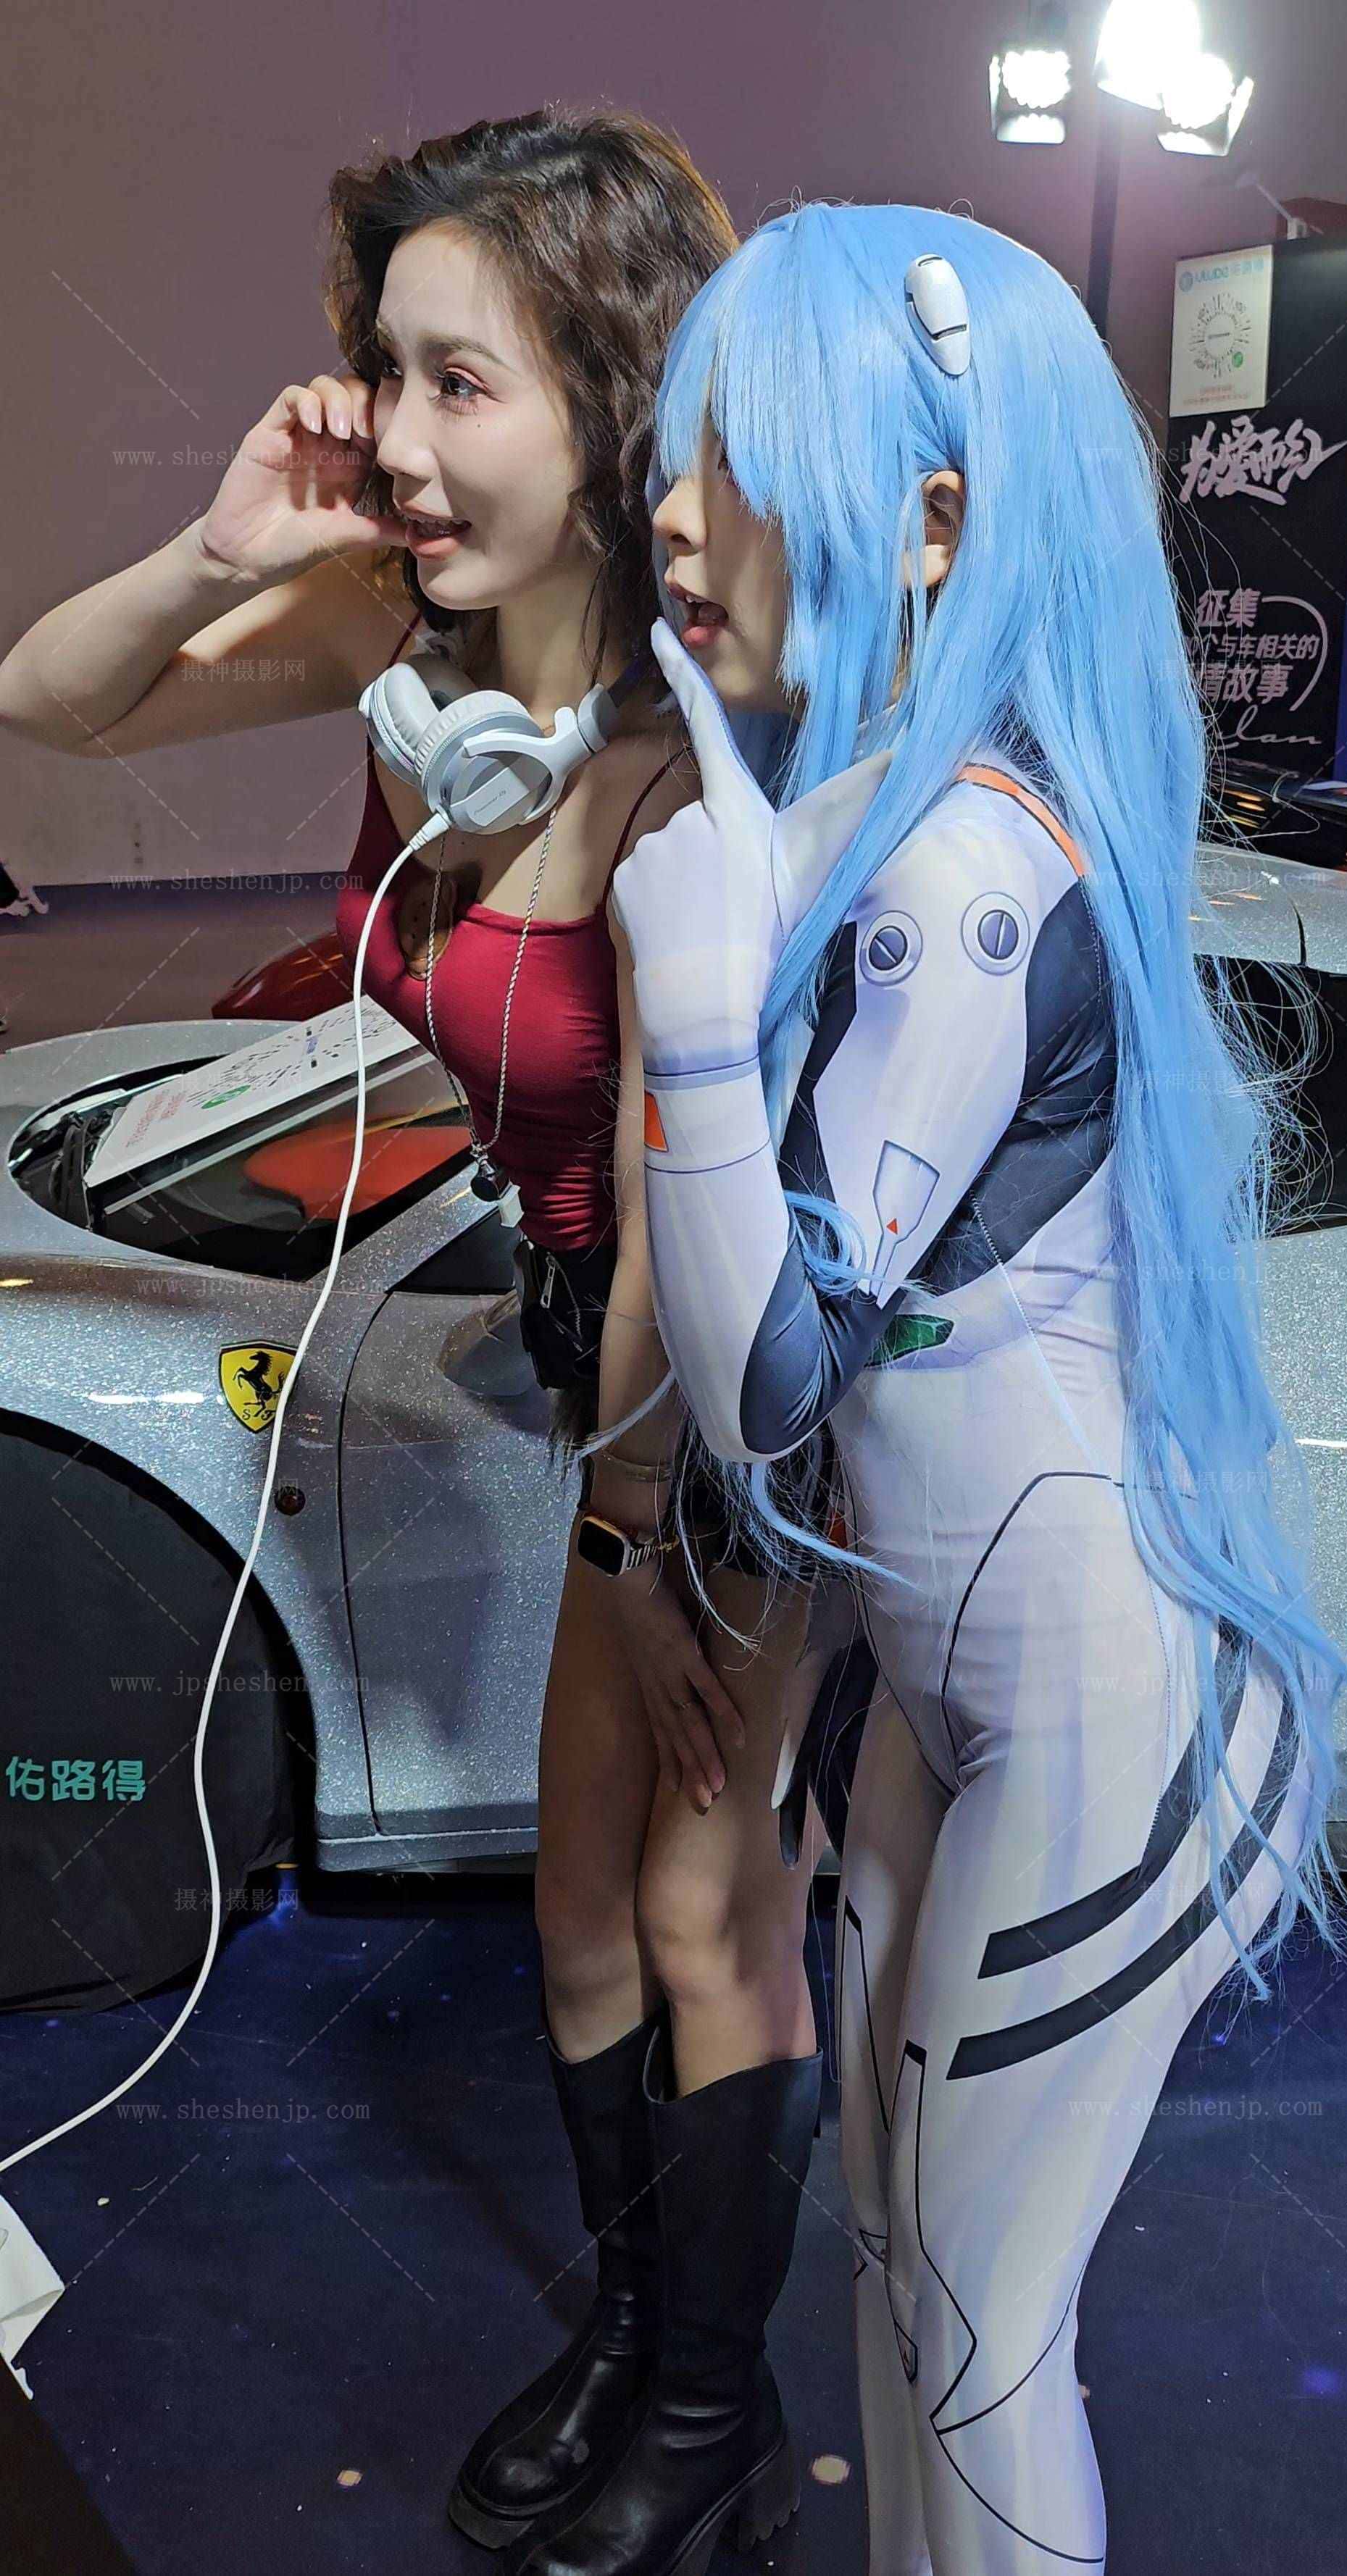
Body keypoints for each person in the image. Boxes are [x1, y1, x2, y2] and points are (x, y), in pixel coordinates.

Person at [0, 109, 839, 2563]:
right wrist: (223, 550)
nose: (395, 433)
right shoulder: (410, 647)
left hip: (745, 1392)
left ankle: (715, 2422)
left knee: (695, 1909)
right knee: (577, 1916)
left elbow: (712, 1213)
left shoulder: (714, 739)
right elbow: (47, 700)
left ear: (615, 394)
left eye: (461, 381)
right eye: (385, 369)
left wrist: (639, 1533)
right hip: (595, 1369)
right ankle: (639, 2334)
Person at [600, 202, 1347, 2575]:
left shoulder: (959, 875)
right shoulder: (884, 828)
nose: (672, 512)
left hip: (1086, 1694)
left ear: (933, 515)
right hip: (964, 1680)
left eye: (740, 458)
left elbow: (763, 1377)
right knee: (913, 2280)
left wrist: (694, 1024)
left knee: (976, 2324)